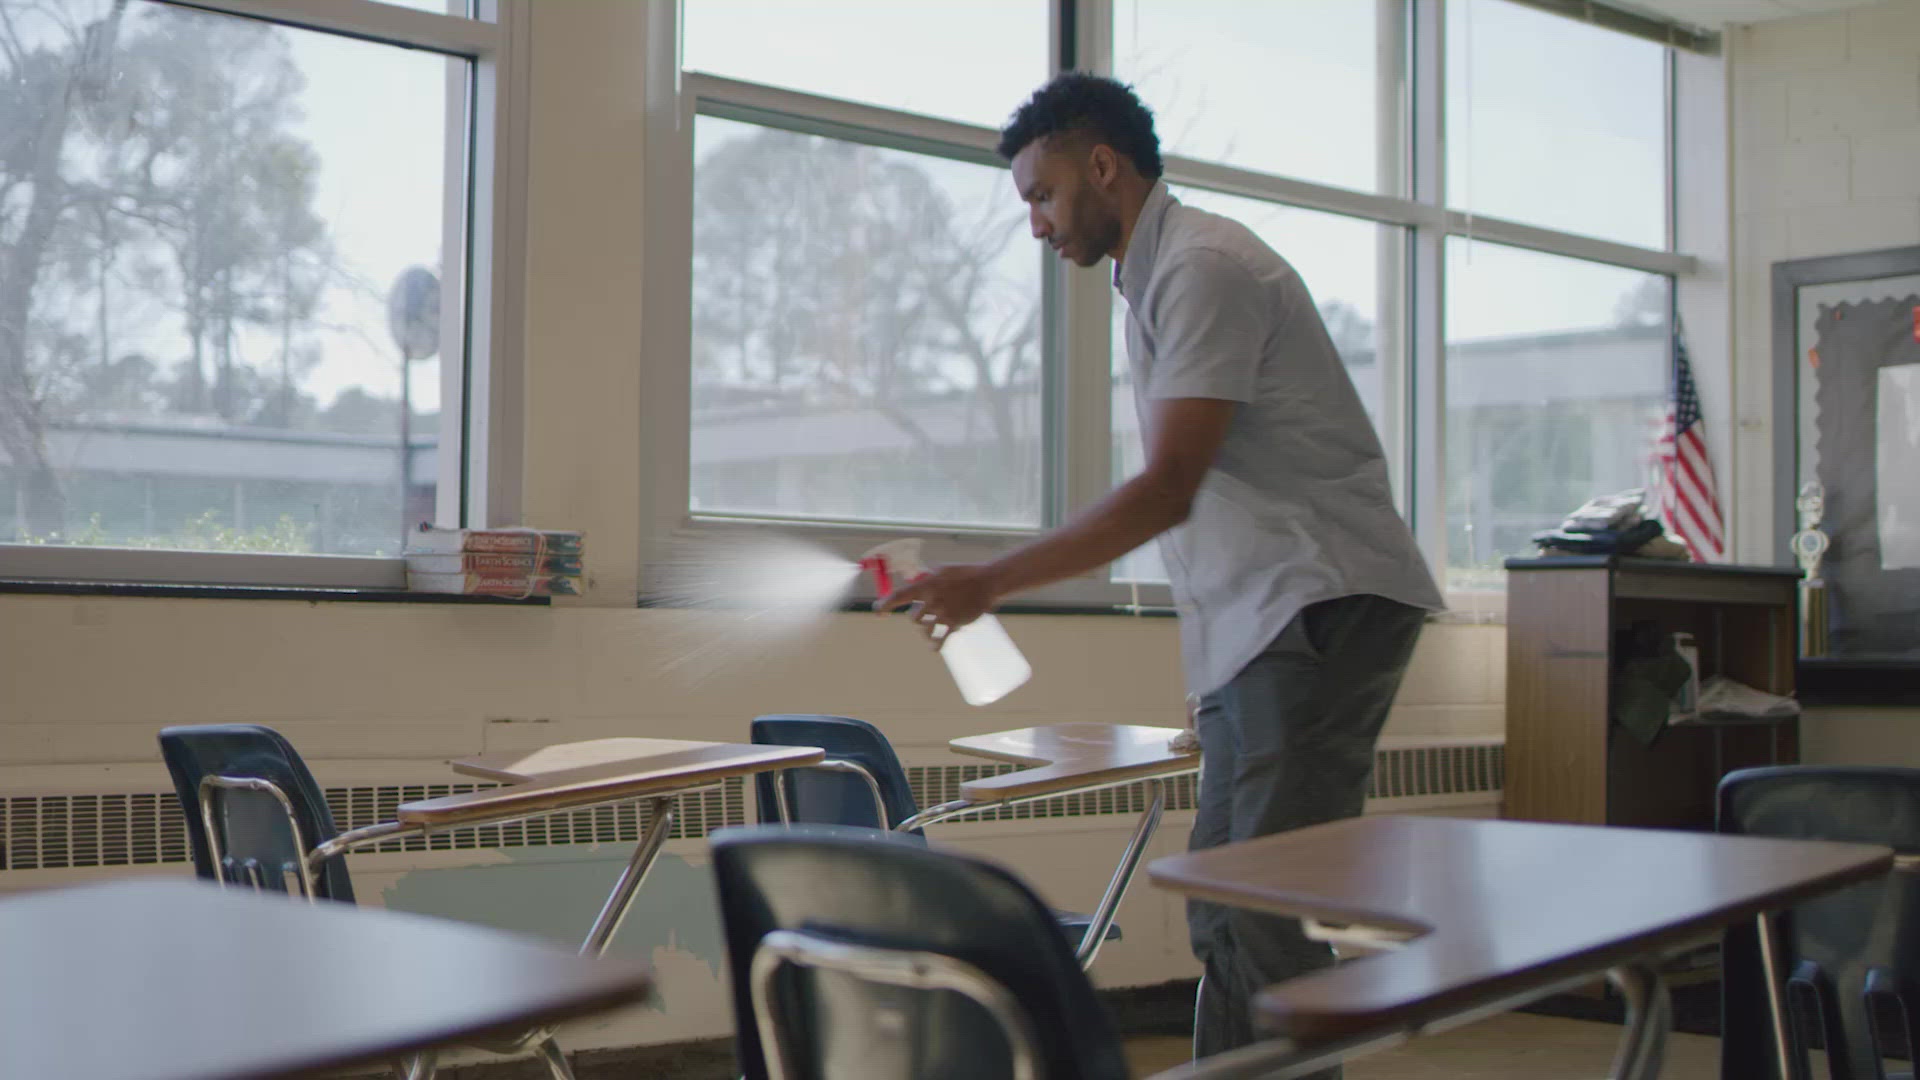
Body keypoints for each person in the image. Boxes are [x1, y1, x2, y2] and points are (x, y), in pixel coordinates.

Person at [875, 73, 1445, 1063]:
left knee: (1265, 908)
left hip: (1321, 607)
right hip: (1268, 625)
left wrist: (989, 583)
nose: (1037, 224)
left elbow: (1167, 488)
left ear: (1103, 167)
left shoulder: (1205, 268)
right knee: (1224, 905)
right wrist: (1216, 676)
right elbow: (1210, 503)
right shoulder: (1158, 276)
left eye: (1043, 195)